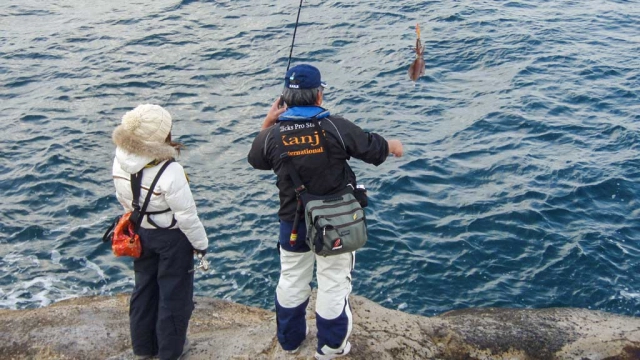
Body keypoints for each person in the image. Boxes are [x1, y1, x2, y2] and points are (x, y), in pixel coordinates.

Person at [247, 64, 403, 359]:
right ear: (319, 96)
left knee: (292, 278)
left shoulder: (273, 136)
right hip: (335, 223)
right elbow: (373, 149)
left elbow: (256, 158)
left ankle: (290, 341)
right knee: (333, 281)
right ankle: (331, 347)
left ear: (285, 100)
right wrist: (394, 146)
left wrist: (268, 121)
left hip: (292, 224)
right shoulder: (334, 127)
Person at [111, 104, 209, 360]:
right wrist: (201, 245)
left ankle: (143, 349)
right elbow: (186, 216)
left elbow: (124, 200)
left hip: (140, 233)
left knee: (144, 289)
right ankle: (170, 352)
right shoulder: (170, 170)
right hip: (172, 239)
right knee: (173, 295)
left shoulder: (120, 159)